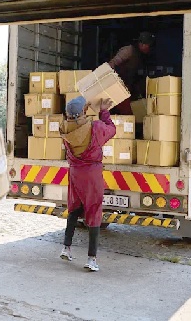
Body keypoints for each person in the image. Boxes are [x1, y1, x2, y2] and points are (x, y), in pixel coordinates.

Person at [59, 96, 116, 271]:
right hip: (92, 173)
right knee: (93, 211)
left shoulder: (64, 128)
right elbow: (112, 130)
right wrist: (103, 112)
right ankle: (91, 259)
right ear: (83, 112)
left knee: (74, 208)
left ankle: (66, 248)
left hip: (75, 172)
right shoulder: (96, 127)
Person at [108, 31, 155, 115]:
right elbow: (111, 65)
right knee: (127, 112)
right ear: (142, 44)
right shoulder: (128, 51)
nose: (149, 48)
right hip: (118, 86)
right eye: (149, 46)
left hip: (128, 88)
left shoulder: (142, 56)